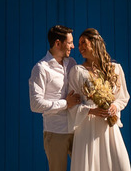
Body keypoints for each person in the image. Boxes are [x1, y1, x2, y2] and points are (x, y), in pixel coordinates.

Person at [67, 28, 131, 171]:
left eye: (84, 42)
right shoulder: (77, 72)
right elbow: (72, 105)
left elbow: (123, 97)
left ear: (95, 42)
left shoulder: (115, 69)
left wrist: (114, 106)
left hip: (109, 127)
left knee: (120, 165)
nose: (80, 47)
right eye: (79, 44)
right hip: (87, 128)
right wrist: (91, 111)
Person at [29, 25, 83, 171]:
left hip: (77, 130)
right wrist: (65, 103)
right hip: (56, 132)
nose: (73, 46)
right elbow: (35, 104)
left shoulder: (72, 63)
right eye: (69, 42)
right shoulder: (41, 68)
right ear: (58, 43)